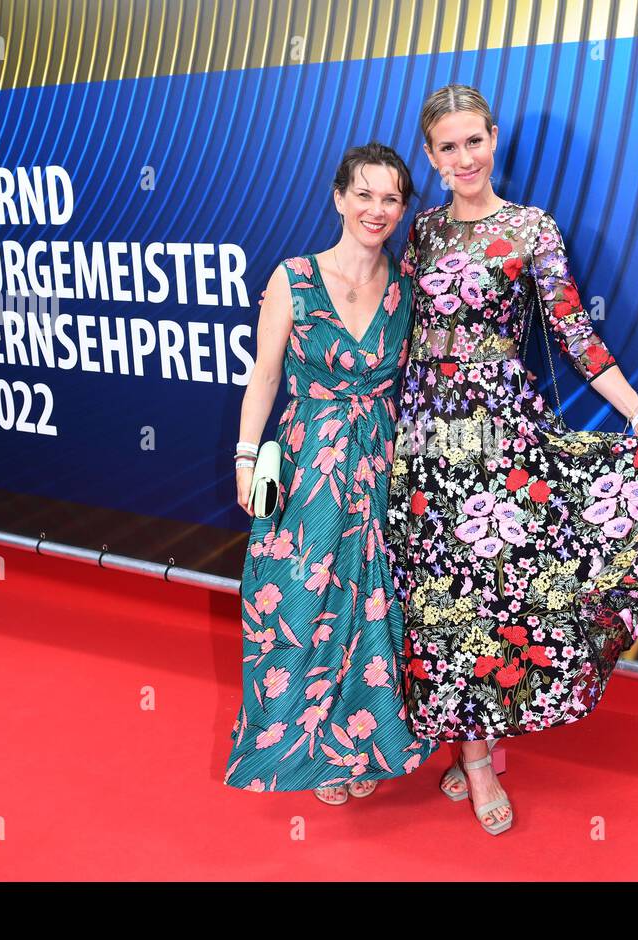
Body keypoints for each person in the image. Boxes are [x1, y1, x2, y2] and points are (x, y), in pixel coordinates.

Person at [387, 84, 638, 834]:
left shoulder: (530, 230)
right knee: (434, 599)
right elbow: (397, 329)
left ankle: (479, 757)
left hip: (498, 437)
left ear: (494, 141)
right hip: (425, 437)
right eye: (447, 147)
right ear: (430, 156)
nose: (463, 158)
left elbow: (574, 334)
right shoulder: (419, 233)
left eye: (473, 141)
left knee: (491, 596)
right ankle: (446, 740)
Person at [225, 143, 438, 804]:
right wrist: (243, 452)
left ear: (403, 208)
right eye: (365, 195)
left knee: (370, 605)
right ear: (340, 197)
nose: (377, 209)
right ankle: (303, 746)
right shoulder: (294, 277)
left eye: (391, 198)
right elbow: (264, 374)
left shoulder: (406, 287)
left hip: (380, 457)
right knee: (299, 599)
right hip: (308, 460)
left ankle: (357, 745)